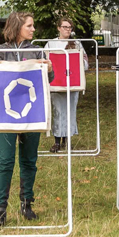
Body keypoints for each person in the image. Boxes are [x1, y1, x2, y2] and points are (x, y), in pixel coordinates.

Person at [0, 12, 53, 227]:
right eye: (29, 26)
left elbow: (48, 80)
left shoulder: (37, 50)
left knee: (29, 160)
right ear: (17, 27)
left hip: (31, 113)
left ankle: (26, 202)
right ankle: (0, 209)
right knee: (5, 162)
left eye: (33, 26)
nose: (33, 30)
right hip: (6, 116)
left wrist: (49, 69)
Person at [45, 16, 88, 153]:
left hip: (72, 83)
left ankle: (67, 140)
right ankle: (57, 141)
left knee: (70, 111)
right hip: (56, 83)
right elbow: (45, 61)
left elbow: (84, 63)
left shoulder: (77, 43)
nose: (67, 30)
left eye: (69, 27)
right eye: (65, 27)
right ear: (58, 28)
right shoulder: (51, 44)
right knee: (58, 111)